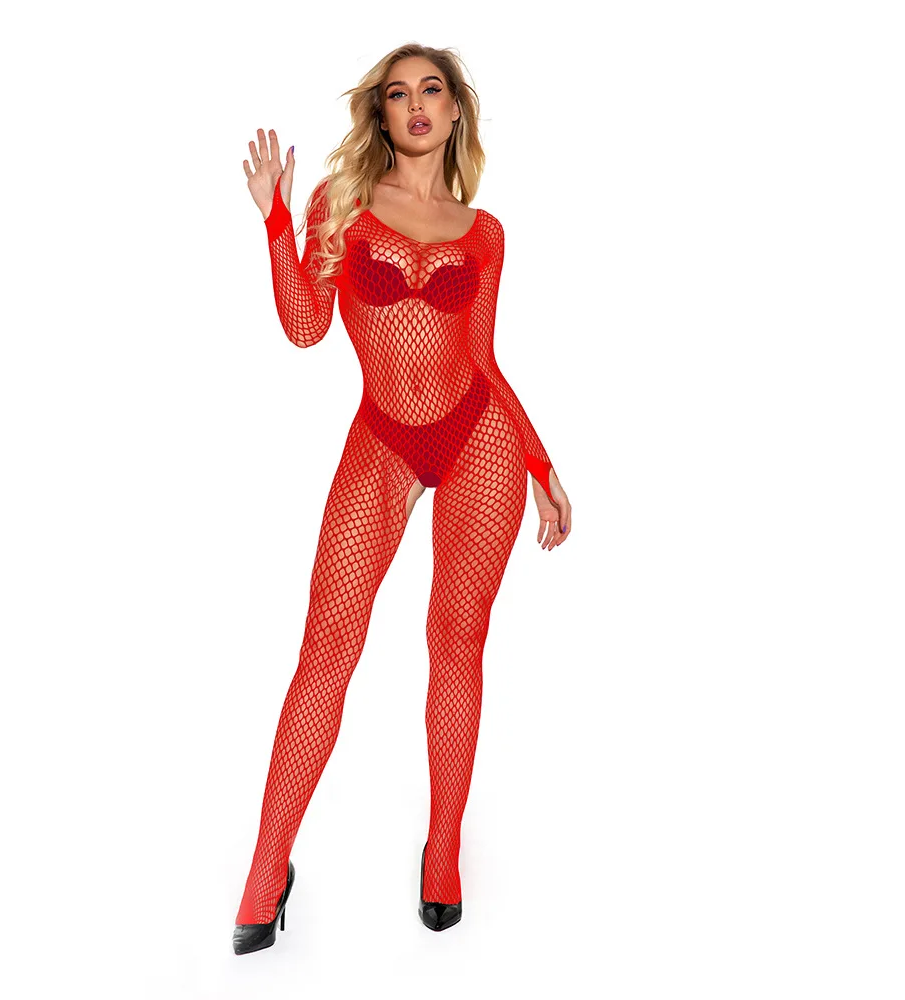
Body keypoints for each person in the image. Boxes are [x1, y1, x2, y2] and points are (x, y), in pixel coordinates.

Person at [234, 43, 571, 954]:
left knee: (456, 641)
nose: (415, 104)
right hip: (382, 437)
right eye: (397, 93)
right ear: (379, 114)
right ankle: (265, 871)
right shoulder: (340, 204)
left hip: (478, 437)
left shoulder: (484, 232)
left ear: (456, 109)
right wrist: (275, 218)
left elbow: (485, 360)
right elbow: (305, 328)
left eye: (432, 90)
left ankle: (444, 853)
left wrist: (540, 465)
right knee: (325, 649)